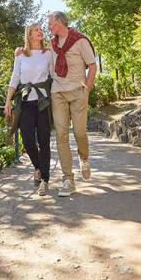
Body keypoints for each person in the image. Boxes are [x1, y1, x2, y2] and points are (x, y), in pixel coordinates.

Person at [15, 11, 97, 197]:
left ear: (59, 23)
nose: (48, 28)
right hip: (57, 93)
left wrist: (87, 89)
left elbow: (92, 66)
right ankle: (68, 179)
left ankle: (84, 158)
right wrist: (19, 51)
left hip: (78, 92)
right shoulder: (51, 46)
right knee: (61, 134)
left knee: (79, 132)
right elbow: (35, 53)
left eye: (51, 24)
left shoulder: (80, 41)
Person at [5, 23, 53, 196]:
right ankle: (38, 168)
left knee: (44, 141)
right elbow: (14, 78)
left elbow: (54, 74)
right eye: (36, 30)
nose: (40, 32)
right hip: (25, 102)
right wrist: (8, 101)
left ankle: (45, 180)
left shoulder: (48, 53)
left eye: (41, 29)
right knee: (27, 141)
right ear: (29, 34)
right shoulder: (20, 55)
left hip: (43, 103)